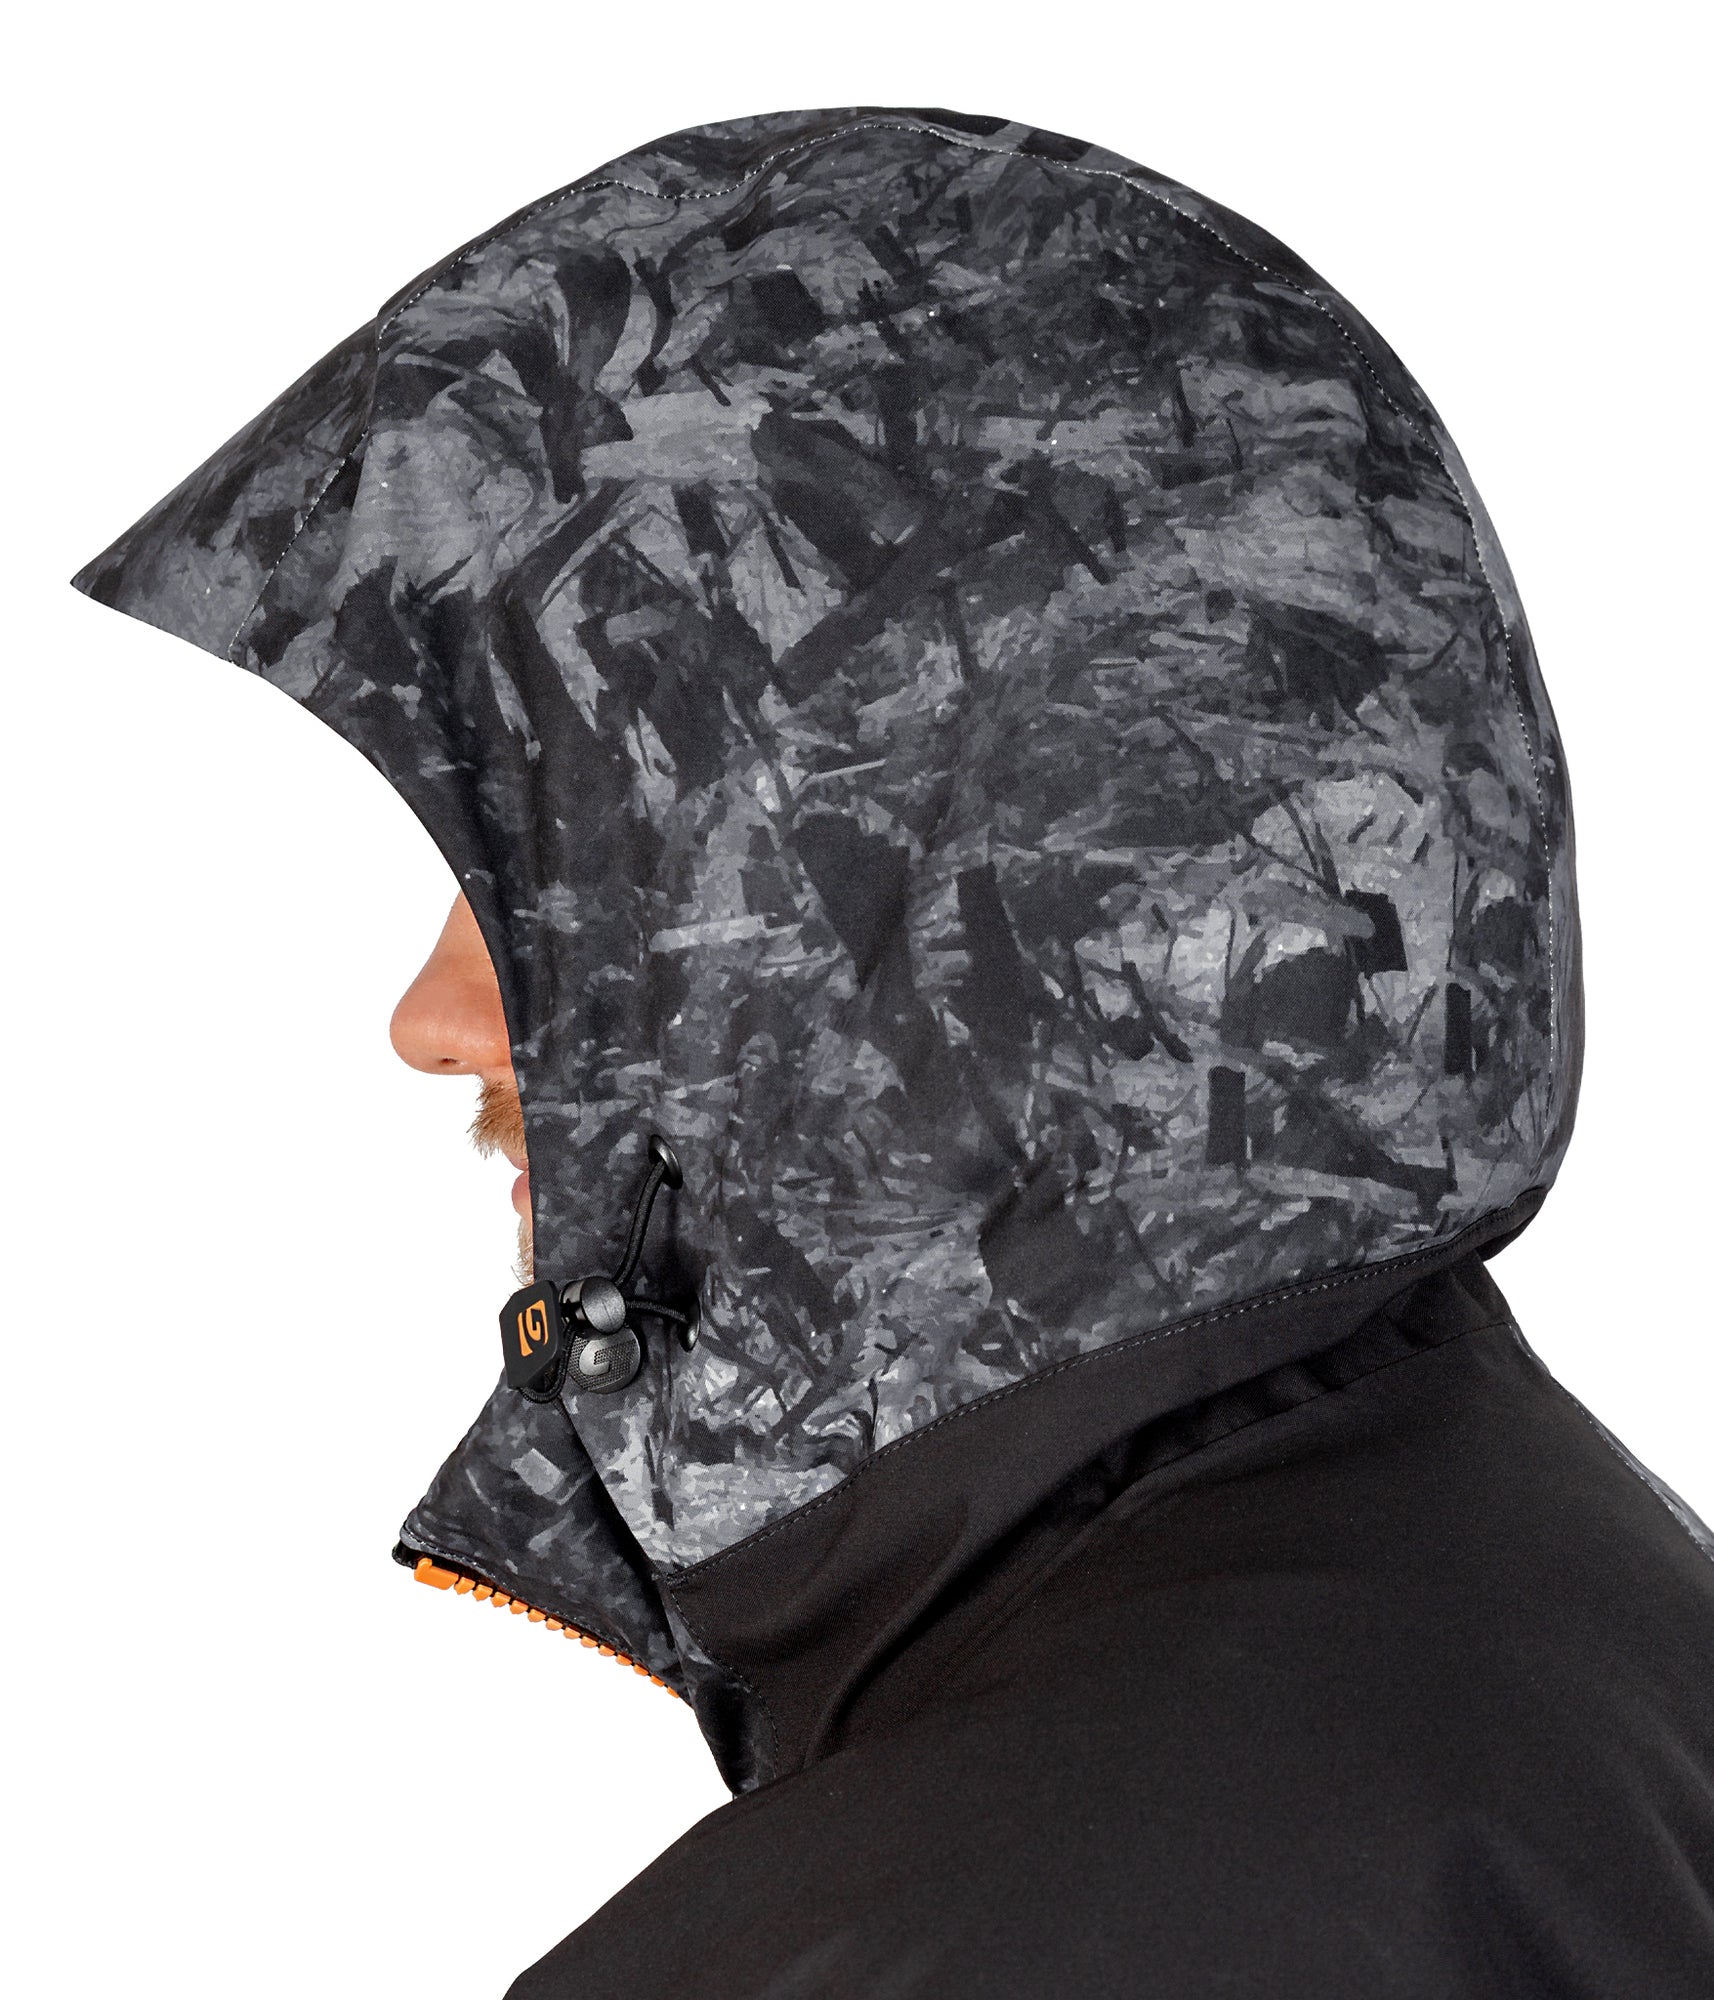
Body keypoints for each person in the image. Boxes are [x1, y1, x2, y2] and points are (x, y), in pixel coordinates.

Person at [73, 105, 1714, 1997]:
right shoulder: (1579, 1651)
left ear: (967, 934)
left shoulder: (942, 1939)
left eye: (576, 863)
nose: (432, 1020)